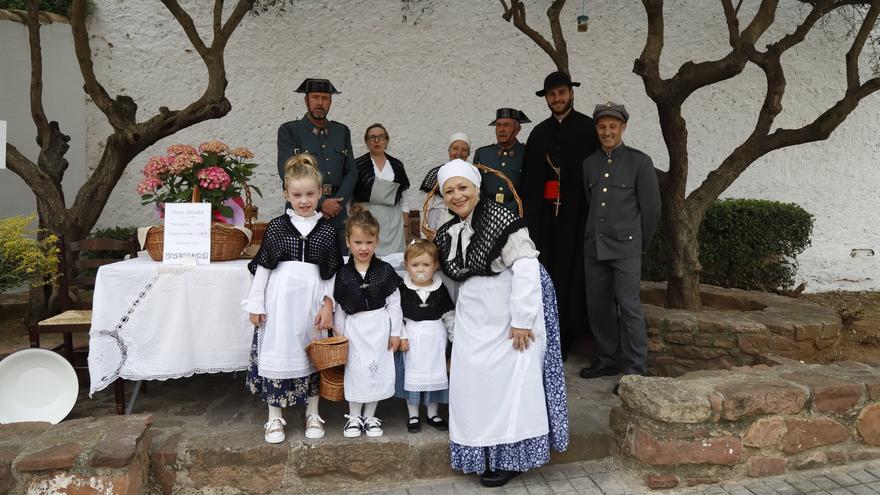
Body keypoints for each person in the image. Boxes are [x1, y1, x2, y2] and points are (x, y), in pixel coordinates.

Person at [433, 159, 568, 488]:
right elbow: (448, 280)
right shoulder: (446, 231)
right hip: (474, 315)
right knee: (473, 384)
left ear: (476, 189)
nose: (457, 195)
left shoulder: (502, 217)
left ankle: (513, 457)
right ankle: (481, 452)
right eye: (449, 190)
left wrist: (523, 320)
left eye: (463, 187)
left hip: (509, 310)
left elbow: (525, 266)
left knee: (514, 384)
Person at [244, 154, 342, 443]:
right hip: (279, 304)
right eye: (297, 195)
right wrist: (256, 303)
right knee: (278, 351)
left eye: (310, 194)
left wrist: (328, 304)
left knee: (311, 353)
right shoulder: (276, 227)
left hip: (311, 304)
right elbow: (263, 267)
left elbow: (332, 271)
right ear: (286, 194)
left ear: (320, 193)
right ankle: (274, 418)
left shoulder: (326, 230)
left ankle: (313, 412)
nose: (304, 201)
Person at [580, 102, 661, 394]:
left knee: (629, 308)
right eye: (602, 127)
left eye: (613, 126)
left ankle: (635, 370)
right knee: (598, 306)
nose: (607, 132)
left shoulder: (640, 162)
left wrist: (640, 245)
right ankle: (606, 359)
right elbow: (591, 207)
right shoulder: (589, 164)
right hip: (595, 246)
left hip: (626, 247)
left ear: (623, 128)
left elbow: (651, 210)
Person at [521, 71, 601, 359]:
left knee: (573, 273)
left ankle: (569, 333)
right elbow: (529, 182)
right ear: (547, 99)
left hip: (577, 217)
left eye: (562, 93)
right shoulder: (538, 134)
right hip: (544, 220)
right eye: (552, 95)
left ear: (571, 93)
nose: (557, 99)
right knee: (548, 271)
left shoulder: (588, 129)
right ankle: (545, 332)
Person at [333, 206, 403, 438]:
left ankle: (371, 416)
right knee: (355, 371)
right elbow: (340, 309)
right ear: (348, 242)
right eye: (358, 242)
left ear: (377, 241)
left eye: (369, 242)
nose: (364, 248)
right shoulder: (343, 274)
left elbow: (394, 304)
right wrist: (340, 336)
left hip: (379, 328)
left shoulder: (384, 271)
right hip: (354, 330)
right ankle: (354, 417)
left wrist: (396, 333)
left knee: (376, 370)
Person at [277, 78, 356, 253]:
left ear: (330, 101)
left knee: (338, 270)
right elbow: (287, 173)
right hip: (303, 213)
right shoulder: (290, 131)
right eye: (315, 97)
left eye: (325, 98)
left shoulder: (341, 131)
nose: (320, 103)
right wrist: (321, 202)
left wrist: (337, 205)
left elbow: (351, 171)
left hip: (337, 215)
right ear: (306, 100)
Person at [394, 239, 455, 433]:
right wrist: (401, 335)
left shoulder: (439, 289)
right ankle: (413, 414)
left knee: (433, 376)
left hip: (435, 340)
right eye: (415, 265)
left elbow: (449, 316)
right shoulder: (402, 290)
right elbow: (396, 317)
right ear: (406, 266)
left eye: (426, 264)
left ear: (435, 266)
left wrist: (455, 340)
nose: (421, 269)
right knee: (412, 376)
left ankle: (432, 413)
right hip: (412, 341)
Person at [353, 124, 410, 255]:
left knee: (394, 259)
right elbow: (351, 197)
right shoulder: (358, 165)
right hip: (366, 220)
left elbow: (404, 199)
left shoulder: (397, 165)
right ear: (366, 142)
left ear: (387, 140)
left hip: (393, 222)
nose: (377, 141)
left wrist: (405, 225)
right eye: (372, 137)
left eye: (381, 137)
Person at [473, 108, 531, 212]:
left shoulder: (528, 154)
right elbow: (475, 187)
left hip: (516, 214)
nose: (501, 129)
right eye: (498, 125)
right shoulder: (482, 154)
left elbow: (531, 189)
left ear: (517, 129)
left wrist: (510, 210)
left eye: (507, 125)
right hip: (486, 213)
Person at [419, 133, 471, 239]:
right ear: (449, 151)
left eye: (464, 150)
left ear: (468, 154)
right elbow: (425, 207)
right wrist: (425, 235)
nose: (459, 153)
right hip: (438, 223)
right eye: (455, 148)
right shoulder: (436, 174)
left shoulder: (473, 175)